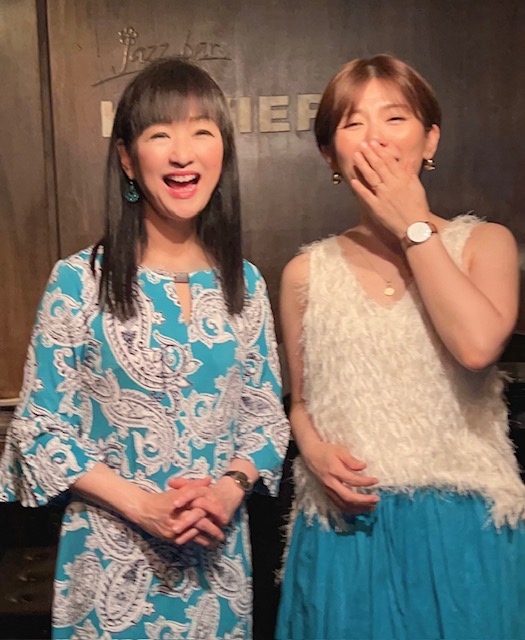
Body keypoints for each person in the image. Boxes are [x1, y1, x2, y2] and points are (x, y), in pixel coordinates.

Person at [0, 57, 289, 639]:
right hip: (109, 561)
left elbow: (266, 419)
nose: (183, 153)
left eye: (202, 132)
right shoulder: (79, 280)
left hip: (218, 566)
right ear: (129, 159)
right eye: (160, 134)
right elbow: (38, 430)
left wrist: (228, 490)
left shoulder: (245, 282)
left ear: (223, 153)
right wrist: (141, 505)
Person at [276, 54, 525, 640]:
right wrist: (313, 450)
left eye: (395, 118)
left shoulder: (484, 244)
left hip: (464, 528)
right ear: (329, 154)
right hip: (346, 527)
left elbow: (476, 346)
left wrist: (414, 225)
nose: (376, 139)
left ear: (429, 138)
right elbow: (301, 402)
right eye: (353, 123)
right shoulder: (307, 272)